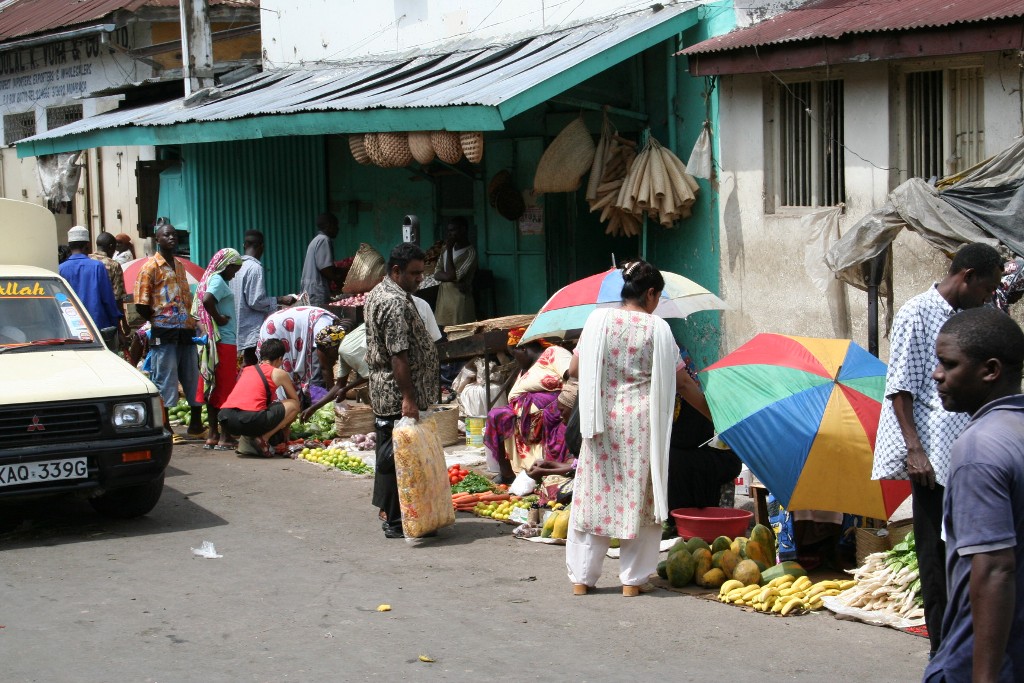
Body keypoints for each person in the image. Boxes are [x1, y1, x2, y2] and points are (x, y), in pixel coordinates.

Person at [871, 242, 1004, 656]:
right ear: (966, 276)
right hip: (929, 456)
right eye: (986, 287)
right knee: (934, 555)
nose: (988, 296)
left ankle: (967, 640)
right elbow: (901, 386)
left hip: (969, 451)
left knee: (968, 551)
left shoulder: (975, 318)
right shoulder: (917, 311)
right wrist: (914, 449)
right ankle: (942, 650)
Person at [565, 260, 709, 597]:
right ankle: (632, 580)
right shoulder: (658, 330)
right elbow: (684, 385)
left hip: (599, 422)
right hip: (641, 427)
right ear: (650, 293)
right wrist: (713, 417)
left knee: (594, 497)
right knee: (641, 497)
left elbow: (574, 369)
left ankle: (582, 579)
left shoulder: (597, 322)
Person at [923, 307, 1024, 683]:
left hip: (982, 657)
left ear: (990, 370)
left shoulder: (979, 448)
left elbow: (996, 568)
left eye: (949, 364)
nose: (937, 374)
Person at [364, 242, 440, 539]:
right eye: (415, 273)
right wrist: (409, 397)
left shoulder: (384, 292)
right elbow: (399, 355)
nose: (421, 278)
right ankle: (396, 519)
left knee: (394, 452)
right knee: (397, 456)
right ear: (396, 271)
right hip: (396, 394)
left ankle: (392, 512)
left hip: (388, 390)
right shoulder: (393, 302)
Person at [134, 220, 205, 443]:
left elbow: (186, 297)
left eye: (174, 235)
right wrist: (159, 320)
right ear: (158, 239)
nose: (172, 238)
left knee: (192, 377)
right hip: (163, 332)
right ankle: (166, 428)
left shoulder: (180, 266)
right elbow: (141, 304)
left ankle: (195, 425)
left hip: (185, 331)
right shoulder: (150, 267)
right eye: (167, 235)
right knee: (166, 378)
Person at [484, 327, 573, 484]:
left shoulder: (554, 353)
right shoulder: (526, 367)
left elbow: (571, 375)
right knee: (495, 415)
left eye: (514, 355)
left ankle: (550, 473)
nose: (514, 360)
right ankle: (507, 473)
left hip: (553, 411)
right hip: (521, 415)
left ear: (523, 349)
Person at [193, 248, 244, 450]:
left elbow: (197, 311)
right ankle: (225, 436)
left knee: (213, 388)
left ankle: (213, 435)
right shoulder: (218, 281)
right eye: (234, 269)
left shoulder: (207, 280)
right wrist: (219, 318)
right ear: (226, 265)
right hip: (224, 341)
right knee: (225, 389)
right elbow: (207, 301)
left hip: (213, 341)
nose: (235, 273)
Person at [218, 338, 301, 458]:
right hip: (250, 419)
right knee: (293, 405)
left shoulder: (246, 370)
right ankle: (263, 439)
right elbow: (295, 401)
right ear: (280, 359)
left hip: (226, 419)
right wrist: (286, 428)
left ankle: (247, 442)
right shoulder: (278, 373)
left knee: (259, 407)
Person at [232, 230, 296, 366]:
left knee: (245, 366)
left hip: (238, 328)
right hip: (252, 330)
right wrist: (280, 299)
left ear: (244, 245)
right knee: (254, 366)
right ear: (261, 246)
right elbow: (256, 301)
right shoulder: (255, 268)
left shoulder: (237, 267)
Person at [59, 225, 123, 349]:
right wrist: (117, 328)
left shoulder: (60, 269)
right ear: (87, 245)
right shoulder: (97, 267)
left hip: (70, 329)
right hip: (98, 328)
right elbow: (108, 300)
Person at [257, 306, 340, 395]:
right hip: (277, 328)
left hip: (280, 322)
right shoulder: (326, 333)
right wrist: (333, 391)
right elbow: (324, 367)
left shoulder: (331, 326)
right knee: (281, 372)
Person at [430, 217, 477, 326]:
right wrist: (448, 276)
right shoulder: (445, 249)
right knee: (443, 333)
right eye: (449, 231)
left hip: (459, 300)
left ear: (463, 230)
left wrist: (450, 251)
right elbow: (437, 272)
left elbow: (454, 275)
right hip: (444, 299)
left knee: (460, 333)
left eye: (453, 230)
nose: (450, 234)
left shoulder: (470, 253)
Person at [89, 231, 131, 343]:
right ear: (111, 247)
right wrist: (123, 325)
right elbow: (117, 298)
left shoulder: (86, 260)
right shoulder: (113, 265)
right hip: (106, 318)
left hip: (85, 315)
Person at [300, 212, 345, 308]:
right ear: (329, 226)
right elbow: (325, 269)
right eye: (336, 225)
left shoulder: (316, 240)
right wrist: (338, 280)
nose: (338, 229)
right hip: (317, 291)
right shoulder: (324, 240)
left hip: (310, 290)